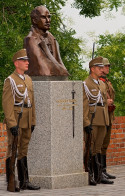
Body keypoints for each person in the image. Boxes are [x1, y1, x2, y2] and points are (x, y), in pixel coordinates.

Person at [2, 49, 40, 191]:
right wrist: (12, 124)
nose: (27, 63)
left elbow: (32, 102)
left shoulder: (28, 79)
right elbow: (7, 104)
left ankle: (25, 181)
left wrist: (33, 121)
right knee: (13, 149)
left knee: (24, 150)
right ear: (16, 63)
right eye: (24, 61)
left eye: (27, 60)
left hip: (27, 119)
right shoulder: (10, 80)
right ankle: (11, 182)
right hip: (16, 119)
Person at [83, 56, 114, 185]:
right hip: (93, 118)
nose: (102, 70)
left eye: (103, 68)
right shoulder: (86, 84)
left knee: (98, 148)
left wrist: (107, 120)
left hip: (103, 118)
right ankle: (89, 175)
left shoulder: (101, 84)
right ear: (92, 69)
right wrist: (86, 122)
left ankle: (98, 175)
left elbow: (104, 104)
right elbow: (84, 105)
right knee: (90, 147)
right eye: (99, 68)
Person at [24, 5, 69, 76]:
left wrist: (62, 70)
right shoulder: (31, 40)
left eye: (49, 17)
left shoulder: (52, 38)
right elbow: (44, 70)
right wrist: (61, 70)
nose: (48, 20)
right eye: (43, 17)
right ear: (34, 20)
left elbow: (60, 65)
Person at [100, 58, 116, 179]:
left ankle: (103, 169)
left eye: (108, 66)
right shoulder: (98, 82)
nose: (107, 68)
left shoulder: (107, 81)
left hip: (109, 115)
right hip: (101, 115)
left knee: (105, 143)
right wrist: (107, 101)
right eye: (105, 66)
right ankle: (99, 170)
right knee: (99, 144)